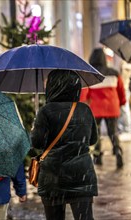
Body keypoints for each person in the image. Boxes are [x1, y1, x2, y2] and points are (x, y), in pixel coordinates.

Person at [31, 70, 98, 220]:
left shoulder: (46, 111)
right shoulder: (84, 110)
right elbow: (93, 139)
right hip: (81, 176)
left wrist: (35, 129)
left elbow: (37, 143)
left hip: (53, 178)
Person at [86, 48, 126, 168]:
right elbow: (121, 90)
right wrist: (122, 102)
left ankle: (98, 156)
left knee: (96, 133)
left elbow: (85, 94)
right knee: (113, 132)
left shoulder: (90, 74)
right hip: (111, 107)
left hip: (96, 108)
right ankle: (118, 151)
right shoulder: (114, 73)